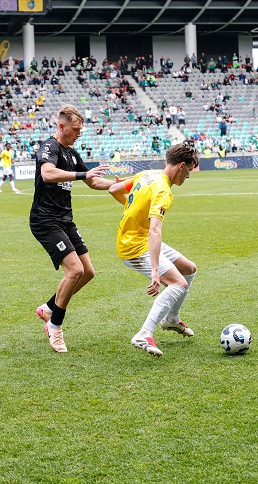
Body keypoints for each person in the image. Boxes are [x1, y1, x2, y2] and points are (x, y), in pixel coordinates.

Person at [30, 105, 115, 353]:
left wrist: (122, 185)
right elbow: (47, 174)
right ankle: (54, 326)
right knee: (75, 269)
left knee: (88, 272)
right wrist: (81, 174)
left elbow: (92, 180)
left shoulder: (72, 152)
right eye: (75, 129)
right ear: (61, 126)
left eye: (80, 129)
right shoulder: (50, 147)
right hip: (45, 220)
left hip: (65, 220)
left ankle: (47, 309)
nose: (79, 134)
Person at [110, 141, 200, 357]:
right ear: (180, 166)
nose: (188, 176)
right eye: (188, 170)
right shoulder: (163, 192)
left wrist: (133, 210)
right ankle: (144, 333)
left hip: (135, 237)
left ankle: (171, 319)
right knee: (177, 283)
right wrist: (155, 271)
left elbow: (114, 189)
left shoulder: (148, 174)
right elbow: (155, 231)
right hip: (135, 246)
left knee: (189, 269)